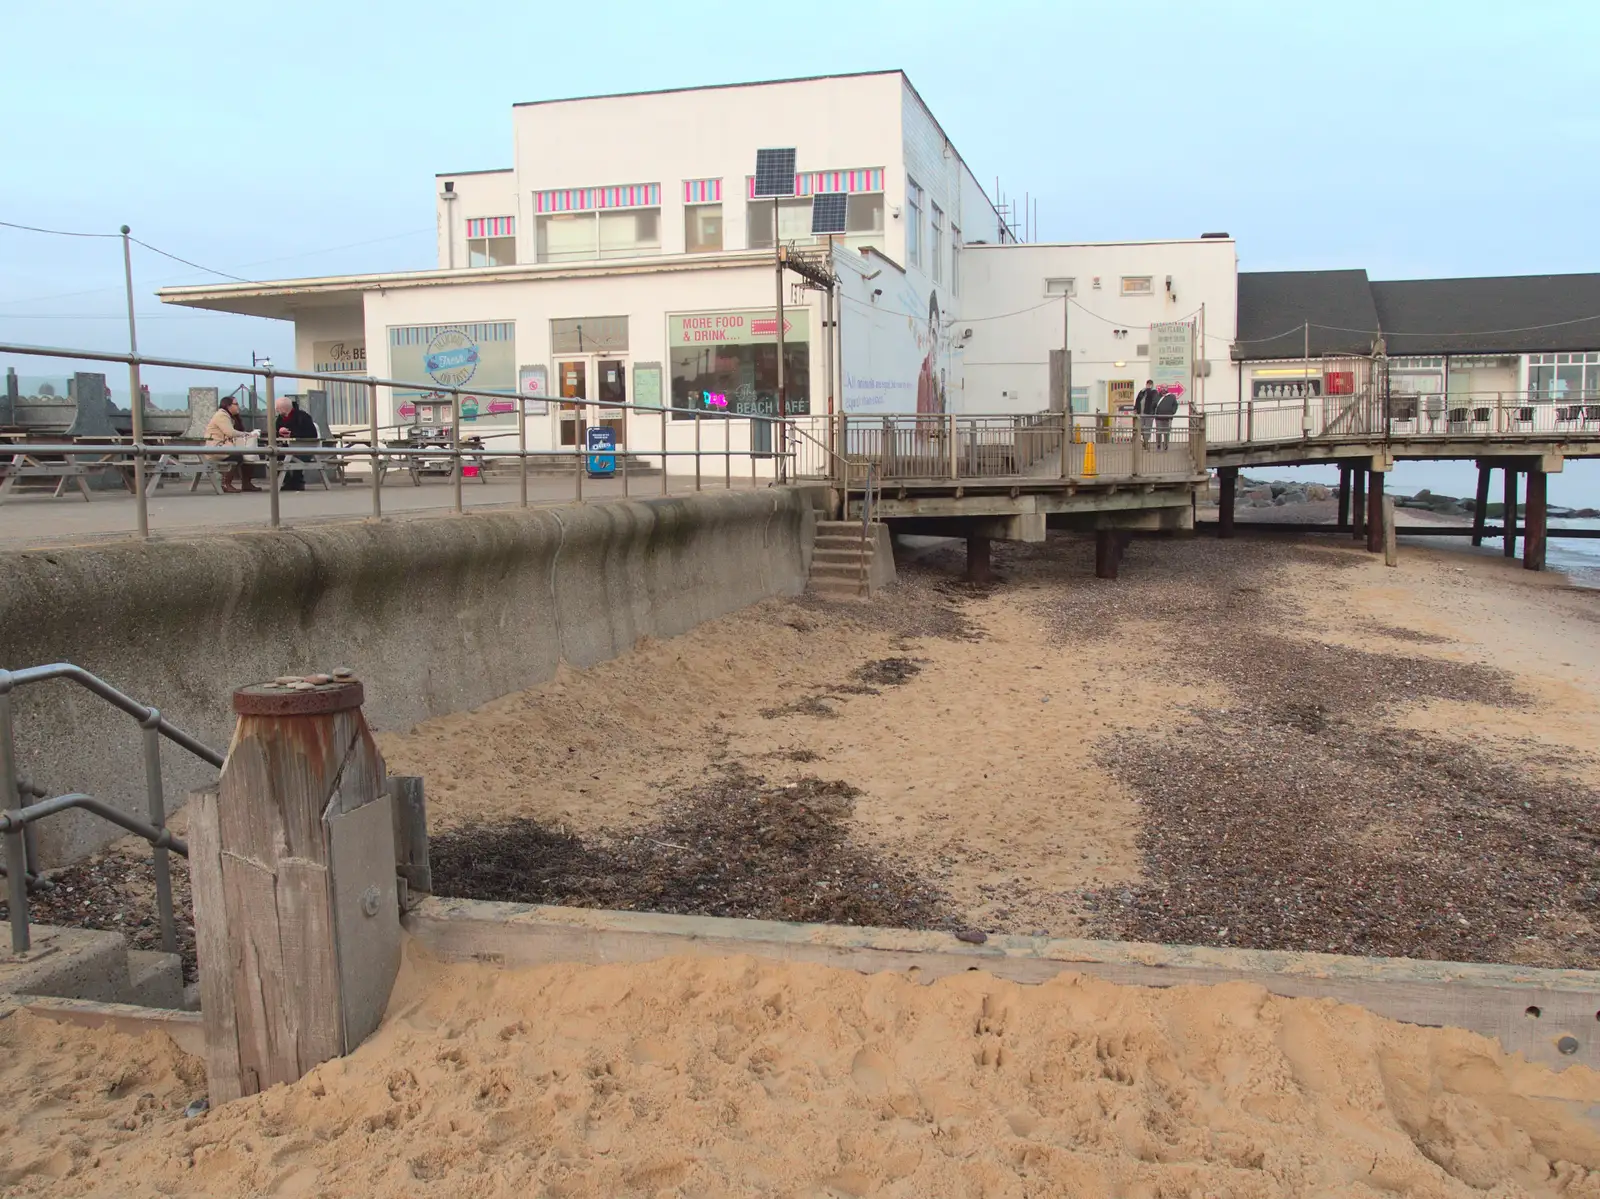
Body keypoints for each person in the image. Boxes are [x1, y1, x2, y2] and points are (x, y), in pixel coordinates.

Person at [206, 397, 258, 493]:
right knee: (237, 457)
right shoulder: (222, 415)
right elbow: (230, 432)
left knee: (248, 456)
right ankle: (226, 483)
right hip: (216, 448)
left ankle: (246, 483)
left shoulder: (230, 417)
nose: (238, 406)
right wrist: (246, 434)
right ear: (228, 406)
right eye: (236, 404)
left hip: (224, 447)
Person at [274, 397, 320, 491]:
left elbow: (312, 435)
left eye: (277, 408)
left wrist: (292, 434)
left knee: (291, 457)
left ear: (283, 409)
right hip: (286, 448)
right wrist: (279, 432)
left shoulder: (303, 417)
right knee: (273, 457)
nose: (276, 410)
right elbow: (274, 433)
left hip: (304, 448)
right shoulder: (280, 419)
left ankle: (296, 481)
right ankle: (290, 481)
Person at [1133, 379, 1160, 445]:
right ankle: (1143, 439)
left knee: (1147, 428)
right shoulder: (1142, 391)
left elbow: (1153, 400)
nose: (1148, 386)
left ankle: (1146, 442)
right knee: (1140, 427)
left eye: (1149, 385)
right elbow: (1137, 400)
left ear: (1152, 385)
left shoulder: (1154, 392)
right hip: (1141, 413)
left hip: (1149, 414)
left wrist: (1148, 389)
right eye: (1147, 384)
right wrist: (1135, 408)